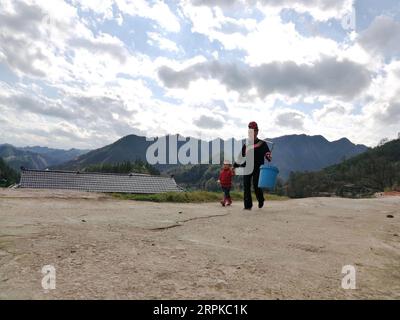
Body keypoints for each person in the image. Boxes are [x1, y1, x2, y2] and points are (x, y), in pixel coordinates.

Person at [233, 121, 272, 210]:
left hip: (258, 168)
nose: (252, 133)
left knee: (256, 185)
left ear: (257, 131)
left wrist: (268, 156)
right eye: (250, 131)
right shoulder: (247, 144)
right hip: (247, 167)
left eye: (254, 130)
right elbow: (240, 156)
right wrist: (234, 166)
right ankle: (247, 206)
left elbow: (268, 155)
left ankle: (260, 199)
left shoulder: (262, 143)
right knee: (246, 185)